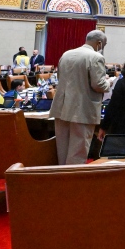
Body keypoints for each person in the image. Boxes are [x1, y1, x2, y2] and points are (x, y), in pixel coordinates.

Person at [49, 30, 114, 165]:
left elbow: (61, 78)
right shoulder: (96, 57)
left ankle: (62, 179)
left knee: (63, 148)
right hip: (82, 109)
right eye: (104, 45)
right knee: (78, 150)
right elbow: (98, 85)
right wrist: (109, 82)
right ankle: (73, 182)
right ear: (99, 43)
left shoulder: (66, 54)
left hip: (61, 107)